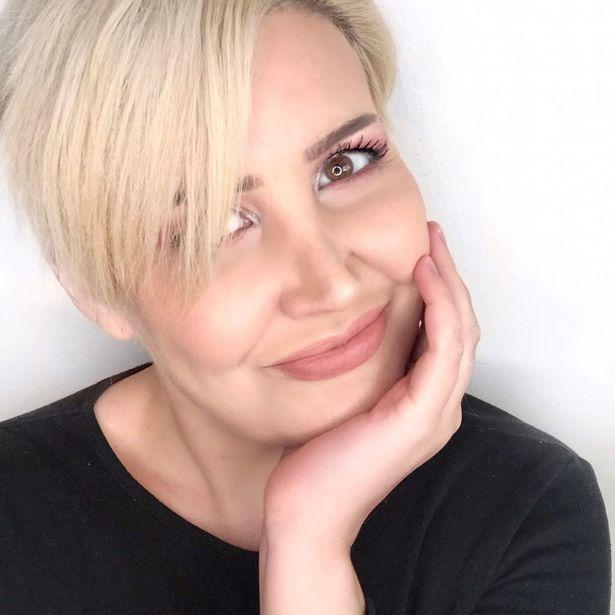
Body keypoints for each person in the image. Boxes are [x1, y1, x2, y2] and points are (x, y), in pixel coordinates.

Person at [0, 1, 610, 613]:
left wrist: (307, 536)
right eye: (216, 223)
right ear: (95, 290)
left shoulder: (527, 514)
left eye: (344, 164)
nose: (333, 287)